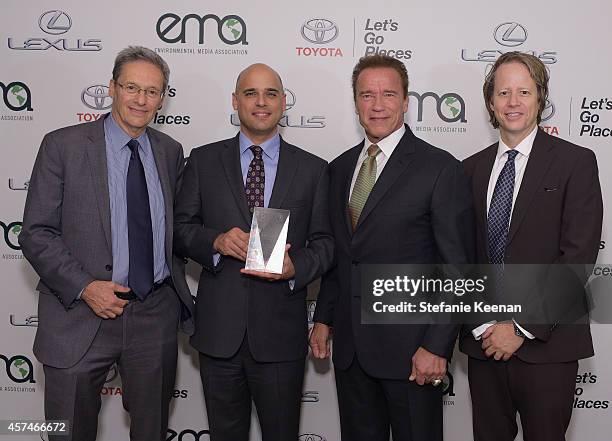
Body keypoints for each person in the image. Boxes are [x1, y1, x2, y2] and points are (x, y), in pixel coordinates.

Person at [18, 46, 194, 441]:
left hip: (153, 316)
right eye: (132, 87)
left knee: (151, 432)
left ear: (162, 98)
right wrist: (85, 287)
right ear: (111, 88)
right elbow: (36, 232)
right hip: (79, 315)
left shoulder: (169, 152)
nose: (141, 99)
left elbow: (177, 229)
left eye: (152, 91)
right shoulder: (62, 146)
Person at [309, 54, 474, 441]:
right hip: (351, 353)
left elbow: (457, 269)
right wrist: (324, 318)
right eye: (367, 95)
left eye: (388, 94)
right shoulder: (339, 168)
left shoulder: (440, 168)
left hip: (413, 353)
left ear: (406, 101)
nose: (377, 104)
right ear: (355, 103)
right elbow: (342, 254)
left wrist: (436, 345)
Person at [173, 63, 334, 441]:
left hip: (280, 336)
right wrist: (215, 241)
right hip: (218, 335)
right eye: (250, 93)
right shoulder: (203, 160)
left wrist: (297, 266)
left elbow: (327, 244)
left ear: (282, 103)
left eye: (270, 94)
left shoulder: (313, 169)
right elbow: (179, 231)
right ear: (235, 101)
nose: (261, 102)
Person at [459, 51, 603, 441]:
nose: (513, 102)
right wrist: (486, 326)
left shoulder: (576, 162)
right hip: (483, 345)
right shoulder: (468, 169)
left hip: (548, 347)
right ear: (490, 101)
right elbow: (460, 259)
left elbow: (577, 257)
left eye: (524, 91)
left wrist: (520, 328)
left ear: (541, 98)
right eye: (503, 92)